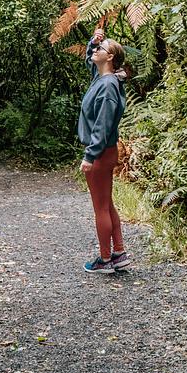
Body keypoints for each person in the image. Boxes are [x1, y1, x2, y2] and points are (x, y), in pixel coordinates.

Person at [78, 36, 130, 274]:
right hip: (104, 151)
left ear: (110, 57)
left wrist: (90, 155)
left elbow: (103, 124)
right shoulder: (102, 79)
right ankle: (119, 253)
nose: (95, 50)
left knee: (100, 207)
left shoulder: (108, 85)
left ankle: (105, 259)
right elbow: (90, 61)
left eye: (101, 48)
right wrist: (93, 42)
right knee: (107, 204)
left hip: (100, 153)